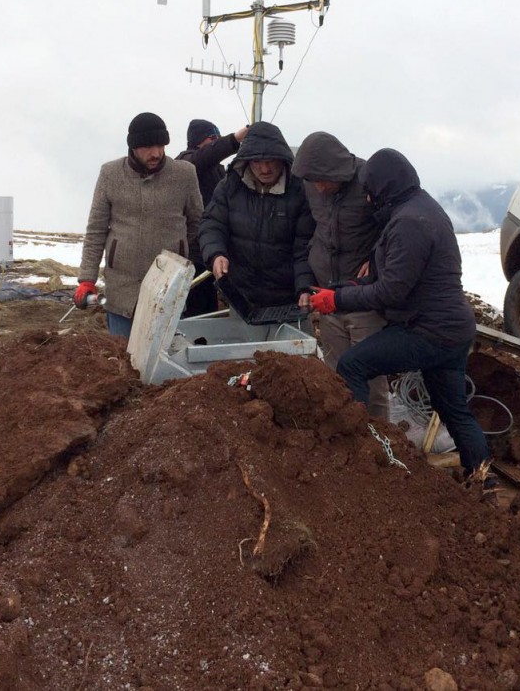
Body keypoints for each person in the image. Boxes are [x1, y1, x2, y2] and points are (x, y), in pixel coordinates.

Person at [309, 148, 492, 485]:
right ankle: (483, 480)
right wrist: (347, 287)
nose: (366, 198)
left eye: (369, 191)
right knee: (452, 407)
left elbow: (392, 290)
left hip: (429, 330)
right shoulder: (420, 209)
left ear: (383, 187)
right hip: (452, 328)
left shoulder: (409, 222)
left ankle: (362, 456)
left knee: (353, 364)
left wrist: (337, 300)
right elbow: (391, 275)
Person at [291, 132, 392, 419]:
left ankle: (381, 446)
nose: (319, 187)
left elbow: (395, 227)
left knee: (372, 380)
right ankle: (346, 447)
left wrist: (377, 259)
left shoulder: (368, 179)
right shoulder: (312, 186)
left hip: (363, 300)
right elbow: (306, 233)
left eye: (323, 179)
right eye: (313, 181)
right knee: (336, 377)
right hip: (327, 295)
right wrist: (306, 281)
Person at [76, 112, 203, 337]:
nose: (155, 153)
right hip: (122, 291)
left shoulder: (184, 174)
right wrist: (87, 279)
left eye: (160, 145)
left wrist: (179, 253)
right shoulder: (110, 174)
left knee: (163, 364)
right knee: (122, 362)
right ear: (133, 147)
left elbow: (197, 223)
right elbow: (96, 230)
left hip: (168, 290)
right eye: (147, 147)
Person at [198, 120, 315, 310]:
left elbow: (305, 246)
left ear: (283, 159)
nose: (265, 169)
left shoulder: (299, 192)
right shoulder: (230, 186)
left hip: (287, 300)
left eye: (271, 161)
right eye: (258, 162)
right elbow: (212, 224)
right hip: (239, 298)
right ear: (247, 160)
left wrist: (304, 286)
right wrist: (216, 254)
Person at [176, 118, 249, 316]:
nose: (216, 142)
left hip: (212, 251)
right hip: (192, 254)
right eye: (212, 138)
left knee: (209, 306)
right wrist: (234, 139)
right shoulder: (187, 162)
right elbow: (206, 156)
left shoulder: (217, 169)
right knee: (193, 311)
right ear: (199, 141)